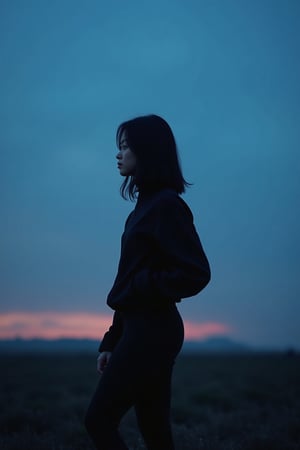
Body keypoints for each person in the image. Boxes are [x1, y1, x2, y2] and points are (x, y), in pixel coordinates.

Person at [85, 114, 211, 450]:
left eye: (125, 147)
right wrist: (113, 340)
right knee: (154, 431)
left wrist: (144, 285)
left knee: (98, 420)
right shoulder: (141, 209)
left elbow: (195, 272)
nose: (118, 154)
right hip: (139, 328)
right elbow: (128, 281)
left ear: (148, 152)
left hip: (154, 330)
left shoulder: (167, 206)